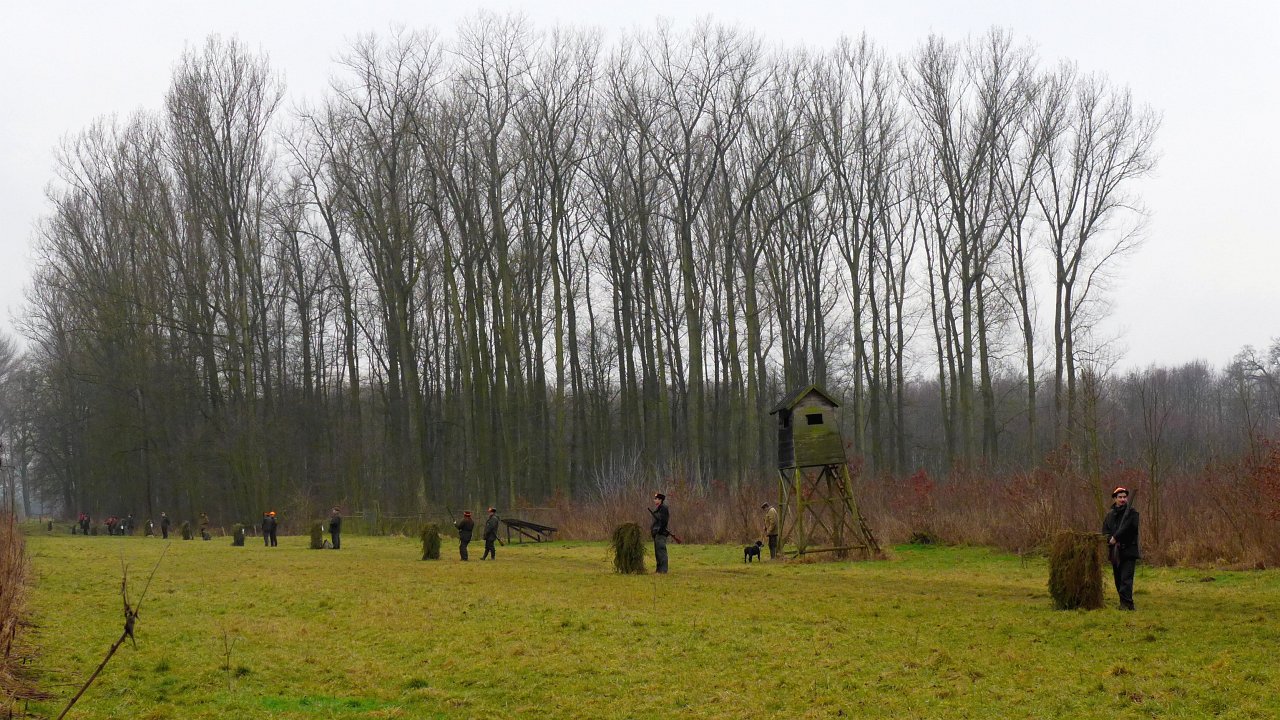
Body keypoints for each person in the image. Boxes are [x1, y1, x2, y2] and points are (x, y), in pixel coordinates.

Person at [1102, 486, 1141, 611]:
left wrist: (1116, 537)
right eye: (1120, 497)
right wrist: (1110, 539)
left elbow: (1130, 528)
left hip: (1129, 551)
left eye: (1124, 497)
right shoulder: (1110, 515)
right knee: (1118, 579)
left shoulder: (1132, 513)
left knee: (1126, 579)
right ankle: (1123, 603)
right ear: (1115, 499)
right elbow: (1105, 532)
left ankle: (1127, 604)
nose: (1123, 499)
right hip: (1115, 552)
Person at [649, 492, 670, 573]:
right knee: (657, 552)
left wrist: (660, 531)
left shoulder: (663, 508)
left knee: (661, 551)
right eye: (655, 499)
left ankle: (663, 570)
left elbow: (664, 521)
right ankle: (658, 570)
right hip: (656, 533)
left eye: (656, 499)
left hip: (661, 533)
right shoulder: (658, 508)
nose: (655, 500)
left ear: (661, 500)